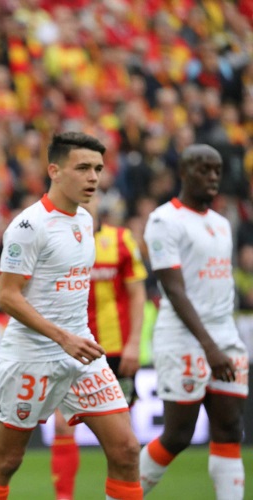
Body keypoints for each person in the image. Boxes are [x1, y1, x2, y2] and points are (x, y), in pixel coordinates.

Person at [0, 132, 143, 500]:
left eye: (98, 169)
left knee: (128, 450)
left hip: (82, 354)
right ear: (55, 171)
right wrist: (62, 337)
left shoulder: (85, 219)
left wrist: (72, 338)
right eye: (82, 168)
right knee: (6, 461)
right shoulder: (28, 226)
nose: (93, 177)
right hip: (32, 357)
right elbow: (7, 296)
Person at [140, 144, 247, 499]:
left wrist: (222, 340)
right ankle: (122, 494)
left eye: (217, 170)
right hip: (184, 338)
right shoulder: (164, 221)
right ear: (184, 173)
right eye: (204, 170)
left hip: (225, 335)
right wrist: (209, 347)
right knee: (178, 436)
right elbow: (173, 289)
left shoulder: (221, 223)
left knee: (230, 429)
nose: (213, 177)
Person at [50, 194, 148, 500]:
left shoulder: (121, 240)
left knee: (123, 436)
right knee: (63, 425)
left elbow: (137, 294)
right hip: (73, 348)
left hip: (116, 350)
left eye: (90, 200)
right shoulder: (58, 241)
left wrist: (134, 343)